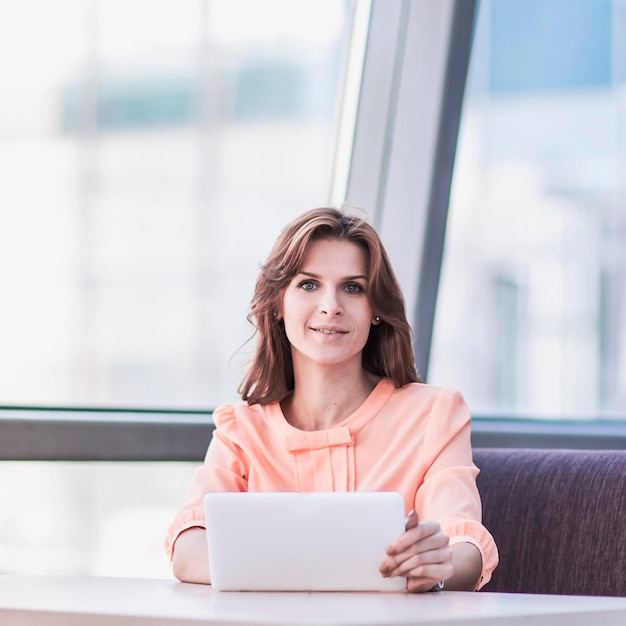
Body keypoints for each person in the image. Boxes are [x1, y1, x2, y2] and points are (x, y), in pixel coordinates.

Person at [165, 207, 498, 592]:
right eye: (309, 285)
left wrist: (435, 566)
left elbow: (465, 547)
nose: (331, 306)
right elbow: (188, 546)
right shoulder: (241, 430)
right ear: (278, 303)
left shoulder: (434, 413)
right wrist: (314, 569)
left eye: (353, 287)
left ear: (376, 310)